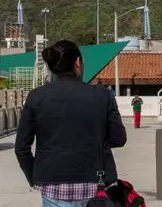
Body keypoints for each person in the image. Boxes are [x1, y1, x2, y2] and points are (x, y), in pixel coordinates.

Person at [15, 39, 127, 207]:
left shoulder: (36, 97)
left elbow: (21, 148)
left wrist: (35, 177)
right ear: (77, 62)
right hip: (95, 186)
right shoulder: (102, 95)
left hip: (52, 185)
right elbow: (119, 139)